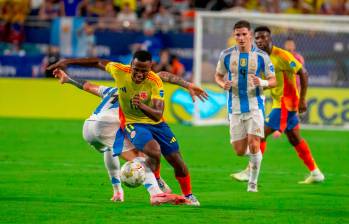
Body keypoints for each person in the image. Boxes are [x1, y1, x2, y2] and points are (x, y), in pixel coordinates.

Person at [47, 51, 207, 206]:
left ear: (150, 68)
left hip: (110, 125)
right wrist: (67, 63)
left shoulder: (149, 82)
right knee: (145, 153)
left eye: (144, 71)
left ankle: (121, 191)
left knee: (176, 160)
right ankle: (156, 190)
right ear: (130, 65)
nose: (138, 74)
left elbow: (89, 86)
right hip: (127, 124)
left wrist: (68, 78)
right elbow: (96, 63)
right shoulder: (119, 72)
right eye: (136, 69)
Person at [231, 26, 325, 184]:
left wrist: (302, 99)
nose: (260, 41)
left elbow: (304, 73)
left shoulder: (282, 55)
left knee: (260, 135)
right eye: (258, 38)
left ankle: (249, 171)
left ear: (270, 39)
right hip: (278, 102)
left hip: (286, 104)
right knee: (295, 139)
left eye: (264, 37)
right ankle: (315, 173)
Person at [214, 20, 277, 192]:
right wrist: (222, 84)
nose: (241, 38)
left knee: (254, 143)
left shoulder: (262, 56)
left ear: (250, 35)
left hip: (255, 105)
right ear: (234, 36)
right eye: (237, 35)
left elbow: (273, 80)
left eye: (244, 34)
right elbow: (218, 76)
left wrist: (262, 81)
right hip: (234, 107)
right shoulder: (226, 55)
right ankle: (256, 157)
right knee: (239, 151)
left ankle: (252, 184)